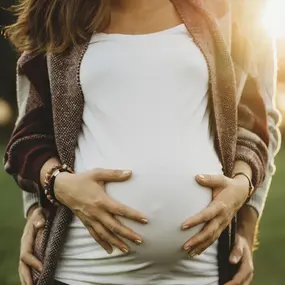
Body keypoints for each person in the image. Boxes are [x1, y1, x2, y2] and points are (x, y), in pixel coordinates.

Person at [4, 0, 279, 285]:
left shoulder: (224, 17)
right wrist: (53, 188)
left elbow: (253, 124)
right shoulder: (61, 15)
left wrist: (242, 190)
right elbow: (29, 135)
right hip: (83, 269)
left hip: (199, 273)